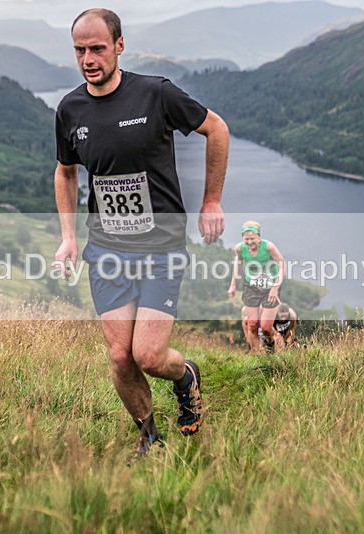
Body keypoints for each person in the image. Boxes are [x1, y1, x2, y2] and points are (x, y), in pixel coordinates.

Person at [53, 8, 229, 457]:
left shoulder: (155, 94)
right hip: (107, 250)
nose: (88, 59)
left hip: (160, 248)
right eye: (79, 50)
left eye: (97, 48)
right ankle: (150, 436)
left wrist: (211, 200)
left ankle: (185, 376)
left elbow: (217, 129)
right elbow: (65, 172)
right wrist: (69, 236)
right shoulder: (70, 109)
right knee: (120, 356)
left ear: (119, 46)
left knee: (149, 356)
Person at [228, 221, 286, 352]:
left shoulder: (269, 247)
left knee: (266, 327)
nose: (249, 242)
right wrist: (233, 284)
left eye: (252, 238)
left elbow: (282, 265)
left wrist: (275, 288)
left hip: (270, 288)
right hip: (251, 287)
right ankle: (255, 356)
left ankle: (272, 344)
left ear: (259, 237)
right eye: (246, 239)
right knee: (252, 324)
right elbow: (238, 262)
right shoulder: (239, 248)